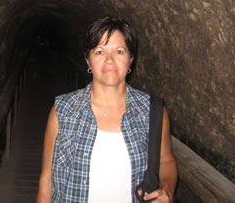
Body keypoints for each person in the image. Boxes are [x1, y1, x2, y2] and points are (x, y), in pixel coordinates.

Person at [36, 16, 177, 203]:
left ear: (131, 59)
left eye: (119, 51)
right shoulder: (63, 111)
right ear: (88, 60)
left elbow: (165, 161)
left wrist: (166, 188)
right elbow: (47, 180)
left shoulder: (152, 112)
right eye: (100, 51)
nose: (109, 60)